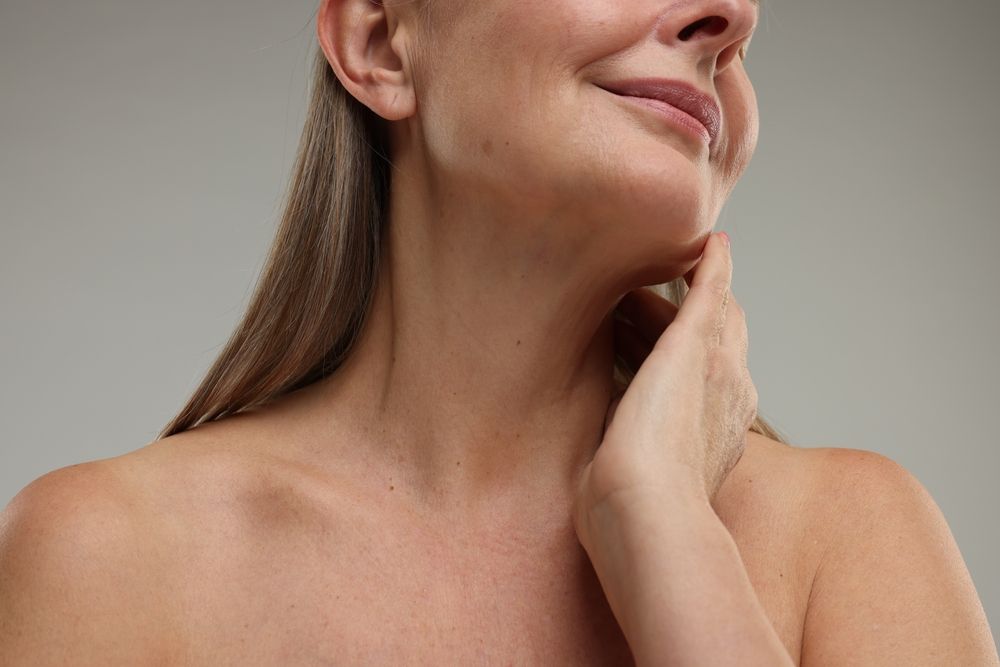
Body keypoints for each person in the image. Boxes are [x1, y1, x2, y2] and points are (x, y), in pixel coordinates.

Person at [2, 0, 997, 663]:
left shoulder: (851, 540)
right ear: (382, 42)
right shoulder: (105, 560)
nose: (731, 15)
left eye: (744, 24)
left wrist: (664, 534)